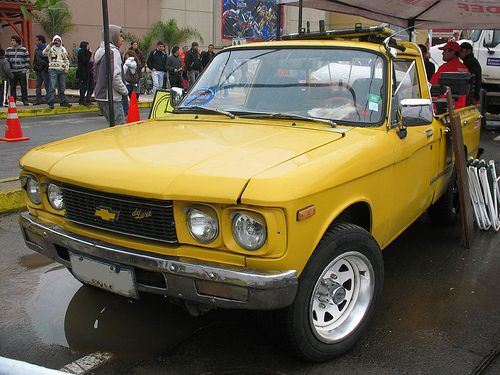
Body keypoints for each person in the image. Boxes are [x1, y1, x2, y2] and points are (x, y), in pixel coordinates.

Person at [94, 24, 129, 126]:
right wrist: (125, 91)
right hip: (112, 97)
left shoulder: (100, 52)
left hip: (101, 97)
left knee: (112, 127)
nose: (122, 40)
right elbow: (115, 77)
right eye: (120, 36)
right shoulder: (113, 52)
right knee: (119, 128)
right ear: (113, 36)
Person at [43, 35, 72, 109]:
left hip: (61, 70)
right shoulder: (51, 49)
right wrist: (49, 45)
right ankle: (51, 102)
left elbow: (66, 59)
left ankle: (63, 101)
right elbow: (44, 53)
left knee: (62, 87)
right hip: (53, 69)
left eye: (58, 40)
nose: (57, 42)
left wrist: (66, 68)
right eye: (55, 40)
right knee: (52, 87)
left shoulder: (63, 49)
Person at [5, 35, 30, 105]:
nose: (12, 42)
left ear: (18, 42)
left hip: (21, 70)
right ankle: (13, 100)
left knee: (23, 86)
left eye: (13, 41)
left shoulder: (24, 50)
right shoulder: (8, 50)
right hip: (12, 71)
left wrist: (25, 69)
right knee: (12, 87)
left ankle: (25, 99)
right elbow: (6, 60)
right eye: (11, 40)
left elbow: (27, 60)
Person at [33, 35, 49, 105]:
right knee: (38, 86)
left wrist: (46, 68)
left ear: (41, 41)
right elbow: (35, 59)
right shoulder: (36, 50)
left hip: (45, 70)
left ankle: (49, 99)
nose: (35, 42)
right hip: (38, 70)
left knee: (47, 85)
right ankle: (38, 100)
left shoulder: (46, 49)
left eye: (37, 40)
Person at [122, 49, 138, 116]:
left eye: (126, 55)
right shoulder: (132, 62)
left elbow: (125, 68)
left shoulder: (132, 62)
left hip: (129, 82)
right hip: (128, 82)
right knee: (130, 97)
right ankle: (131, 110)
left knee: (125, 96)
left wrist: (129, 59)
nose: (125, 56)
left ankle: (126, 110)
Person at [76, 41, 92, 106]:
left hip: (86, 72)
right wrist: (89, 53)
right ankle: (81, 100)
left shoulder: (85, 52)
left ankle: (84, 99)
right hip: (82, 73)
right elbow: (85, 60)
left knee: (86, 86)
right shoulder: (81, 53)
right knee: (83, 87)